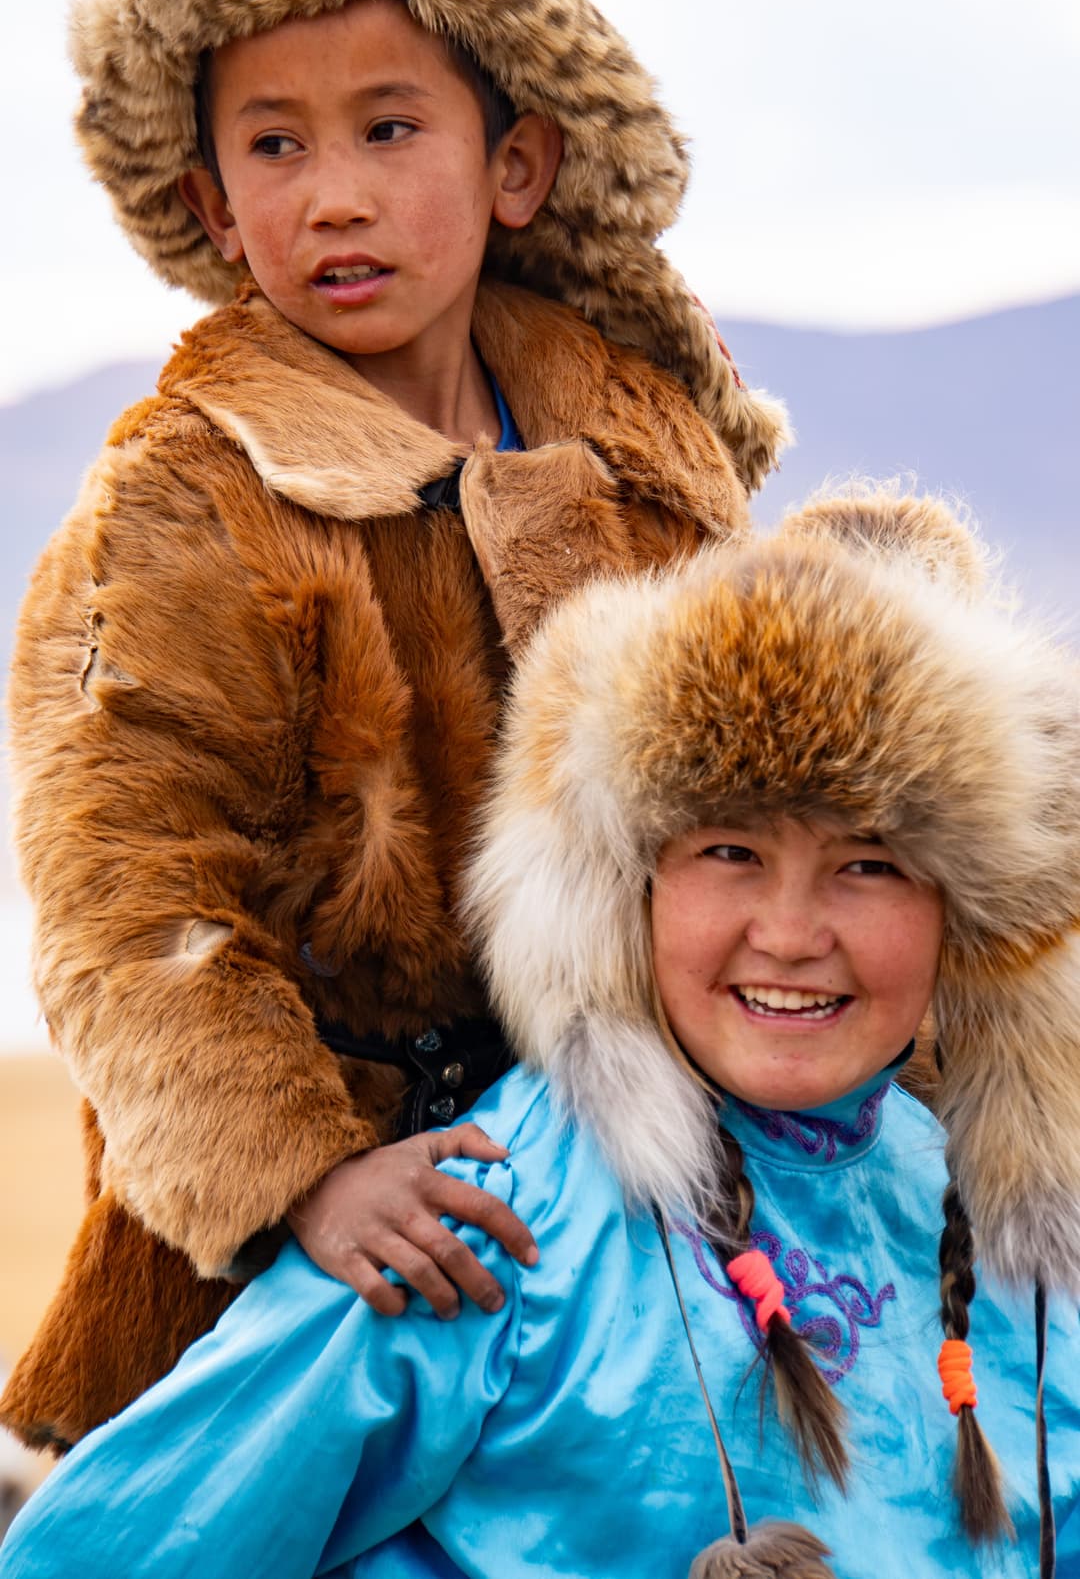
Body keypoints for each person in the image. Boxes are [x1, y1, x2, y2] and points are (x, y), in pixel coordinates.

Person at [2, 0, 791, 1455]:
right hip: (329, 1243)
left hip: (651, 1184)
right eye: (274, 146)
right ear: (212, 205)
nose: (334, 194)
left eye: (387, 126)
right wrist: (298, 1171)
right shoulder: (188, 497)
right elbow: (124, 899)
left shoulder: (634, 434)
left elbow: (775, 790)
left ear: (517, 163)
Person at [4, 487, 1080, 1578]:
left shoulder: (1004, 1227)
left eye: (870, 862)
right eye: (729, 851)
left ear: (967, 905)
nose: (793, 933)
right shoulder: (493, 1218)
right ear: (628, 881)